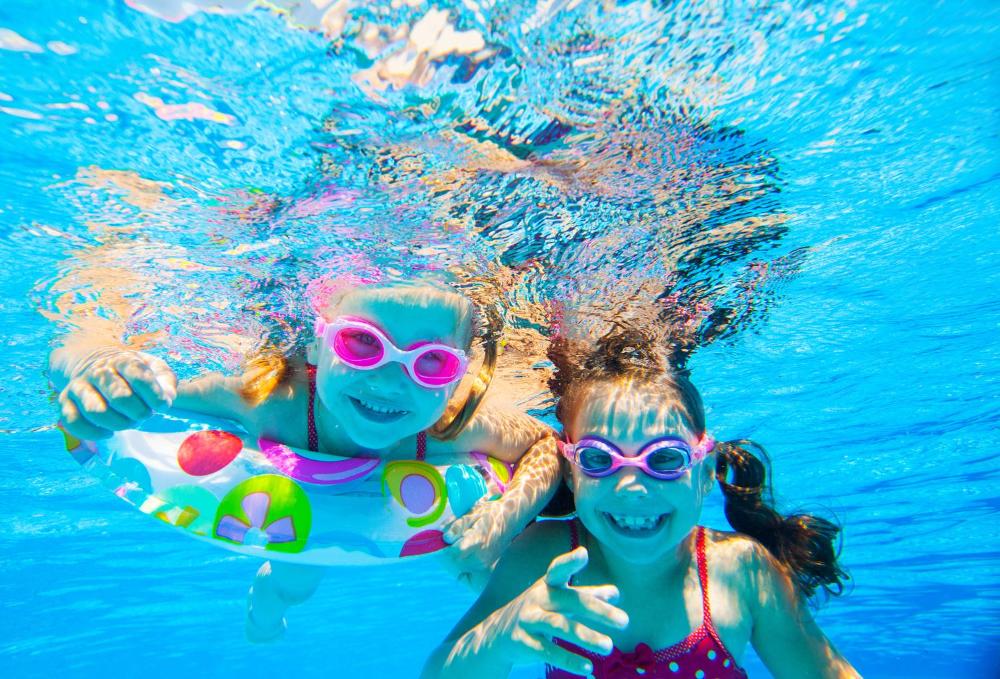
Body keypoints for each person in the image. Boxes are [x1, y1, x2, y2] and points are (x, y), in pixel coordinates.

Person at [49, 275, 561, 641]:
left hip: (409, 508)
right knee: (293, 582)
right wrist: (99, 365)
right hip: (301, 503)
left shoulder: (455, 424)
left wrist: (505, 514)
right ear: (317, 347)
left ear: (458, 376)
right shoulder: (272, 400)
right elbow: (131, 376)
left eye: (431, 362)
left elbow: (544, 446)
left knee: (477, 569)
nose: (389, 383)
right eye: (362, 343)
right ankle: (266, 609)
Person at [422, 327, 859, 678]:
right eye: (599, 459)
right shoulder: (546, 555)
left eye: (665, 459)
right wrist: (500, 636)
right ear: (571, 473)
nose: (632, 487)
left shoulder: (741, 569)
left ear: (705, 472)